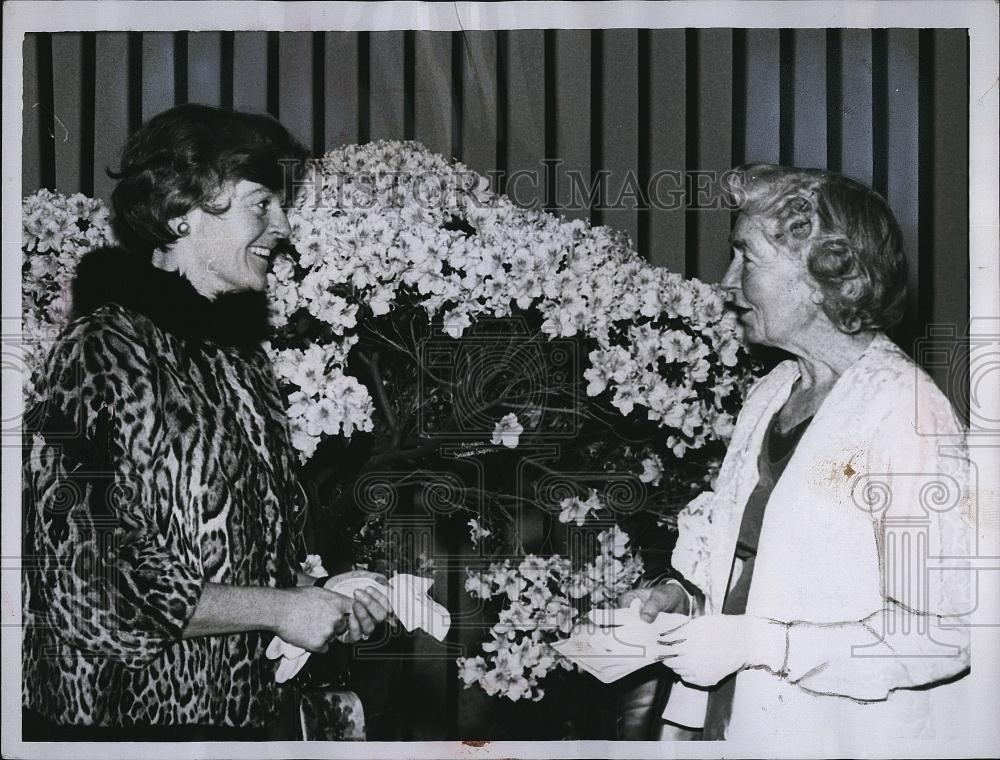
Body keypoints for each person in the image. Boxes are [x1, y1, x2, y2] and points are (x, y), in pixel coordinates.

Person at [22, 103, 389, 739]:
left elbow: (232, 553)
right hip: (122, 726)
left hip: (236, 719)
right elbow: (90, 576)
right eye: (261, 203)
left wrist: (321, 595)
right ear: (180, 213)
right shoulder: (100, 351)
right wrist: (280, 609)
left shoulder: (239, 360)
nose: (282, 225)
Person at [627, 164, 972, 743]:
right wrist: (683, 599)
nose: (726, 282)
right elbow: (758, 568)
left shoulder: (908, 413)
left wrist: (765, 645)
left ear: (822, 277)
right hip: (735, 722)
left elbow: (944, 632)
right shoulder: (774, 391)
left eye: (747, 258)